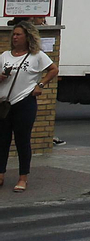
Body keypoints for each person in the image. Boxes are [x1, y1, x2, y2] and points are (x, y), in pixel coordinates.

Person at [1, 21, 58, 192]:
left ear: (27, 37)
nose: (15, 37)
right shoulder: (4, 56)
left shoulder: (37, 56)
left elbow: (53, 70)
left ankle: (23, 177)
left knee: (22, 141)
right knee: (2, 140)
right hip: (4, 104)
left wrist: (40, 85)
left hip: (24, 103)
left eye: (19, 34)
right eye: (14, 35)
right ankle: (1, 173)